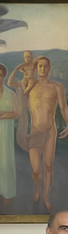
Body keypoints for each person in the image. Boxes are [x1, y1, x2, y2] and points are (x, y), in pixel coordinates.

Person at [16, 56, 68, 211]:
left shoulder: (57, 86)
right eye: (40, 66)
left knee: (47, 165)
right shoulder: (30, 86)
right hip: (35, 132)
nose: (42, 69)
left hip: (49, 132)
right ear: (36, 68)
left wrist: (67, 124)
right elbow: (16, 92)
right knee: (35, 170)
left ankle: (46, 196)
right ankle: (37, 189)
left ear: (49, 67)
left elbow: (64, 107)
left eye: (45, 66)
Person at [0, 63, 18, 205]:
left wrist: (3, 115)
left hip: (5, 133)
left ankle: (7, 193)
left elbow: (16, 113)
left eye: (0, 75)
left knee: (6, 162)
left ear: (4, 76)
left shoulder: (11, 94)